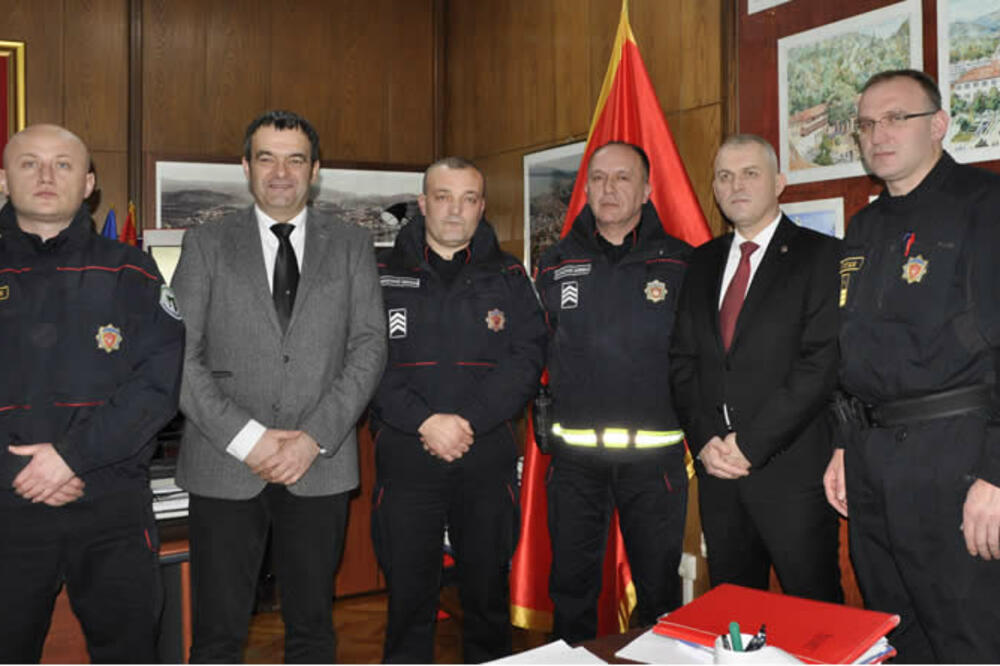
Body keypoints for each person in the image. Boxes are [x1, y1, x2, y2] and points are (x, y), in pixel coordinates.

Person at [171, 110, 387, 663]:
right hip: (225, 463)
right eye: (266, 157)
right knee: (218, 633)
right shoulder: (206, 243)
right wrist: (250, 440)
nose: (281, 172)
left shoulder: (351, 245)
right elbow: (178, 356)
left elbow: (369, 349)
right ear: (246, 167)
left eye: (295, 160)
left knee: (312, 628)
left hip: (319, 464)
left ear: (315, 171)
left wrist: (312, 438)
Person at [823, 69, 1000, 662]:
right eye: (868, 124)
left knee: (968, 634)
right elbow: (853, 350)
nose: (879, 133)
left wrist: (996, 476)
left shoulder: (985, 207)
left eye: (897, 117)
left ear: (940, 125)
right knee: (892, 628)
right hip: (874, 462)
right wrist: (846, 445)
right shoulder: (865, 227)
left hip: (954, 457)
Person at [0, 124, 184, 662]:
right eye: (29, 163)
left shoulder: (133, 271)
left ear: (88, 183)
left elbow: (159, 384)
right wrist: (17, 472)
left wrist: (71, 459)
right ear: (5, 180)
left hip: (110, 508)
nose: (46, 175)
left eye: (63, 164)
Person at [370, 157, 545, 663]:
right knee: (409, 601)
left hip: (484, 454)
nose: (455, 210)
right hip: (406, 454)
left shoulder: (509, 274)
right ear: (423, 203)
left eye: (469, 199)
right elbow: (363, 360)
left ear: (482, 207)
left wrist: (465, 421)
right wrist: (425, 421)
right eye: (443, 197)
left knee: (487, 599)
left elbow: (528, 357)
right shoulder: (378, 272)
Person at [671, 134, 842, 602]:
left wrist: (750, 445)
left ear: (779, 183)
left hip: (791, 476)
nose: (736, 185)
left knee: (816, 617)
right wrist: (705, 440)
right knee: (735, 616)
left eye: (750, 173)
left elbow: (820, 364)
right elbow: (683, 362)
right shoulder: (701, 262)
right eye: (724, 176)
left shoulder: (821, 257)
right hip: (718, 475)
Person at [535, 141, 690, 642]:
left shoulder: (683, 264)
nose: (608, 189)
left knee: (659, 594)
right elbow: (532, 351)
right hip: (576, 464)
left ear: (647, 190)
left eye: (622, 178)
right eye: (598, 178)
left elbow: (700, 361)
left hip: (654, 465)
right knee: (571, 590)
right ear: (586, 188)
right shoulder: (553, 264)